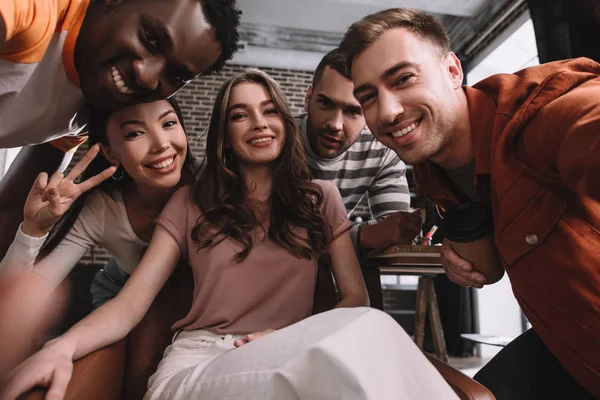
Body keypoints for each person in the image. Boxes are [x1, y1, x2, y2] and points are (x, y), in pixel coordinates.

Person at [0, 69, 460, 400]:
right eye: (240, 115)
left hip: (291, 352)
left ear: (283, 121)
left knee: (371, 329)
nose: (259, 123)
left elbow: (354, 300)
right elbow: (129, 305)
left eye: (268, 111)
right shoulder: (189, 201)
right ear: (224, 136)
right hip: (196, 364)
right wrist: (60, 347)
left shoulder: (322, 198)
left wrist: (287, 337)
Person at [339, 7, 600, 400]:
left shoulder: (542, 115)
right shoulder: (432, 167)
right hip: (561, 343)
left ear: (452, 71)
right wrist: (459, 248)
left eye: (404, 78)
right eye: (368, 97)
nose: (388, 112)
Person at [0, 0, 242, 257]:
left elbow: (13, 205)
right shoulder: (38, 13)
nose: (147, 77)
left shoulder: (87, 109)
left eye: (176, 76)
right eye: (150, 37)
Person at [0, 97, 197, 398]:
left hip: (193, 300)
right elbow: (24, 293)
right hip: (121, 292)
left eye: (169, 123)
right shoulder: (102, 208)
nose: (160, 144)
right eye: (135, 133)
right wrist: (34, 230)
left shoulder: (209, 187)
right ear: (110, 152)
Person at [300, 49, 421, 255]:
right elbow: (264, 232)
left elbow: (394, 233)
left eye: (353, 111)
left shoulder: (383, 153)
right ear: (308, 99)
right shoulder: (276, 141)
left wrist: (363, 236)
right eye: (325, 103)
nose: (335, 125)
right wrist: (364, 236)